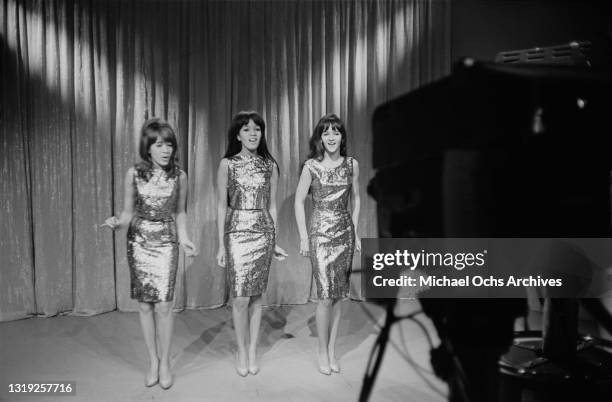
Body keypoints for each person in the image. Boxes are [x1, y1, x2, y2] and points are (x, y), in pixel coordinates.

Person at [103, 118, 197, 389]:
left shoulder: (180, 176)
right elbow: (127, 213)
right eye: (159, 145)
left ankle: (165, 361)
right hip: (139, 240)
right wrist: (116, 223)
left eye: (169, 144)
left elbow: (180, 212)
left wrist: (185, 239)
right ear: (148, 148)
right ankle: (153, 360)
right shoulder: (133, 174)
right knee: (145, 305)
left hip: (167, 240)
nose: (165, 150)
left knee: (165, 305)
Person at [216, 111, 287, 377]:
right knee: (240, 298)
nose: (253, 133)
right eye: (246, 129)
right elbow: (221, 205)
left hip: (262, 231)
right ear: (237, 135)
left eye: (257, 128)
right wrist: (221, 245)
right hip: (236, 231)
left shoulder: (270, 165)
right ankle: (242, 349)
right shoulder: (227, 164)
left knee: (257, 297)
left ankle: (253, 350)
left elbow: (273, 206)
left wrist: (275, 239)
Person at [294, 113, 361, 375]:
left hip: (344, 233)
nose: (331, 137)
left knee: (339, 297)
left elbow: (356, 199)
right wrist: (303, 237)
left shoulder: (352, 164)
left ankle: (332, 350)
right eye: (326, 132)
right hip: (320, 233)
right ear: (319, 138)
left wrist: (354, 228)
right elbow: (299, 201)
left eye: (336, 132)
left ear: (342, 136)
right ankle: (322, 350)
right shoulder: (311, 166)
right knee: (324, 297)